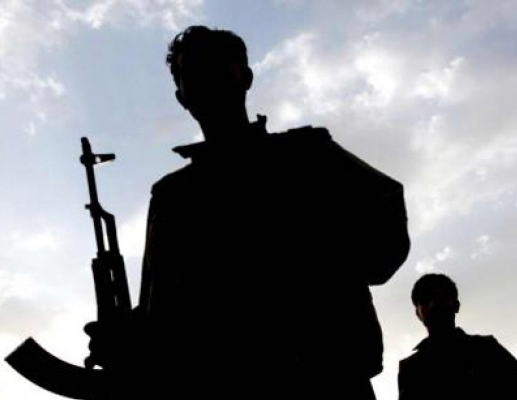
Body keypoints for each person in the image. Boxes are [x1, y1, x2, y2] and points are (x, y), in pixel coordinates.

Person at [86, 25, 410, 398]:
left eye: (214, 65)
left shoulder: (307, 155)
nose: (203, 78)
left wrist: (317, 263)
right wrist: (126, 339)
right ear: (181, 97)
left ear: (245, 77)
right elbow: (161, 313)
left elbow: (385, 220)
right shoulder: (174, 197)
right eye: (191, 72)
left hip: (324, 377)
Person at [398, 273, 517, 400]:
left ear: (456, 305)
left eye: (441, 297)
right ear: (418, 313)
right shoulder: (410, 367)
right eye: (425, 299)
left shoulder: (486, 348)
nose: (434, 304)